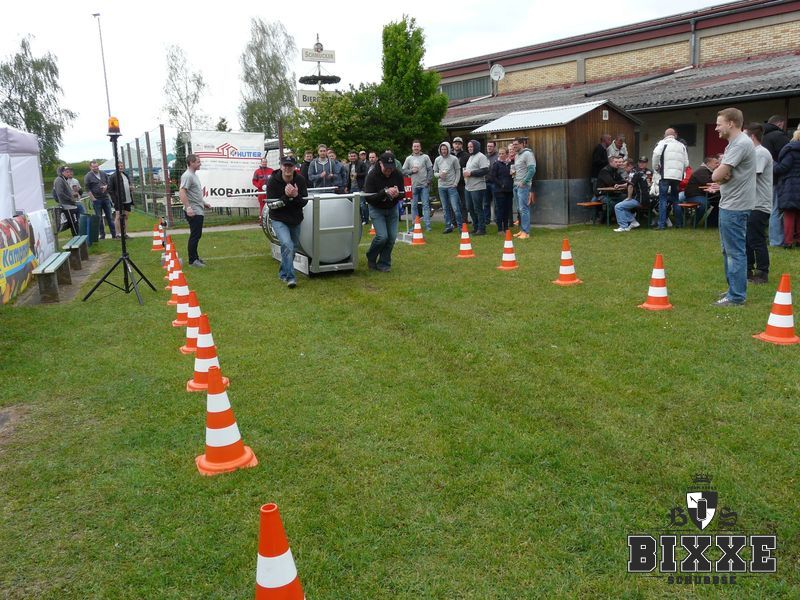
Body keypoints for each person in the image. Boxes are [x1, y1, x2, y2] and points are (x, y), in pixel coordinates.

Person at [710, 107, 756, 307]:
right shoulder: (734, 144)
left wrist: (720, 173)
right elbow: (723, 174)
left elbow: (717, 175)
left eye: (719, 124)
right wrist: (722, 174)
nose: (716, 128)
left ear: (731, 123)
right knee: (728, 250)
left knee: (735, 252)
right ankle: (733, 289)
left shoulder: (740, 144)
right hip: (731, 203)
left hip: (735, 206)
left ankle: (736, 296)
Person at [266, 156, 309, 288]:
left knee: (293, 247)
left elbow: (304, 202)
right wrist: (286, 197)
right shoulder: (273, 181)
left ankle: (283, 272)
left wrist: (295, 196)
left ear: (294, 167)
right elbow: (271, 205)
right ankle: (291, 278)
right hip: (278, 218)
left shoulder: (300, 180)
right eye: (285, 165)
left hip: (295, 218)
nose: (288, 168)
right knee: (287, 244)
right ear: (281, 166)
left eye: (290, 166)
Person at [363, 152, 404, 272]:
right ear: (380, 163)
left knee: (391, 237)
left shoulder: (397, 174)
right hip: (376, 208)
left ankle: (384, 263)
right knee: (382, 237)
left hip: (392, 208)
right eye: (386, 168)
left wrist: (397, 194)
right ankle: (371, 256)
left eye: (391, 168)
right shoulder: (372, 175)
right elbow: (368, 198)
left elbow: (403, 193)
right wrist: (385, 192)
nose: (389, 171)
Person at [744, 123, 772, 284]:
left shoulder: (760, 153)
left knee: (756, 239)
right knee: (747, 239)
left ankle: (762, 272)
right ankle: (748, 270)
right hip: (751, 203)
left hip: (759, 204)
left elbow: (751, 176)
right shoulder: (754, 153)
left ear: (752, 137)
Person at [762, 116, 792, 247]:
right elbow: (788, 156)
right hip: (776, 178)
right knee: (776, 209)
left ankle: (767, 236)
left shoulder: (762, 136)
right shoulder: (779, 136)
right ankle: (776, 240)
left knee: (765, 208)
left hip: (762, 177)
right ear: (780, 123)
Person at [652, 128, 689, 229]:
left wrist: (655, 167)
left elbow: (656, 155)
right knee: (675, 199)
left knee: (663, 199)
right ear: (675, 135)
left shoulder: (662, 143)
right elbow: (686, 163)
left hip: (665, 175)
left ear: (665, 135)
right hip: (677, 177)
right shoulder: (681, 145)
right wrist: (680, 172)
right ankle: (679, 224)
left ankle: (661, 225)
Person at [180, 154, 212, 267]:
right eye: (198, 162)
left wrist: (204, 203)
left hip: (198, 209)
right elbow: (182, 192)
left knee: (197, 235)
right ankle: (192, 261)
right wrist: (188, 207)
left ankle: (196, 258)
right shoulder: (187, 176)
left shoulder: (194, 175)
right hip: (193, 211)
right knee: (195, 235)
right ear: (191, 163)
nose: (200, 164)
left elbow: (195, 194)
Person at [773, 128, 800, 249]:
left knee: (789, 213)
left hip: (791, 184)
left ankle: (788, 241)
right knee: (799, 214)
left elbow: (783, 167)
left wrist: (773, 165)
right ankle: (798, 240)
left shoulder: (791, 150)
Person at [402, 140, 434, 231]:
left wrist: (428, 181)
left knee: (426, 206)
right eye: (414, 146)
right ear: (412, 148)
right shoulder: (408, 158)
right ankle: (415, 225)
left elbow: (430, 170)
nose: (416, 148)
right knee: (414, 206)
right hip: (413, 186)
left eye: (417, 146)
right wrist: (411, 171)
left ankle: (428, 226)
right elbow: (403, 171)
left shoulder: (425, 157)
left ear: (420, 148)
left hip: (424, 185)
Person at [433, 141, 462, 233]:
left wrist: (455, 183)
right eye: (442, 149)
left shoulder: (454, 159)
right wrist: (439, 175)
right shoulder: (437, 159)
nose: (444, 151)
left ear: (448, 149)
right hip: (441, 187)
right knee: (445, 208)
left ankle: (461, 227)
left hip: (451, 186)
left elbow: (458, 171)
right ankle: (448, 226)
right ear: (440, 150)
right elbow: (435, 172)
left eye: (445, 149)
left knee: (455, 208)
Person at [463, 139, 490, 235]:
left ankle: (482, 229)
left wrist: (471, 173)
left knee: (477, 208)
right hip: (468, 187)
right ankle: (475, 227)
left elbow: (485, 170)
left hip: (478, 186)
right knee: (470, 208)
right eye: (468, 147)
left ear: (476, 146)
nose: (469, 148)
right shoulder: (470, 157)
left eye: (471, 146)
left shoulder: (481, 156)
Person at [683, 155, 721, 224]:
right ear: (708, 164)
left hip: (703, 194)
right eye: (716, 163)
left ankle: (711, 223)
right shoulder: (702, 171)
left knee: (720, 202)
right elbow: (708, 182)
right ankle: (693, 222)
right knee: (705, 204)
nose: (718, 165)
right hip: (693, 196)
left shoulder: (708, 171)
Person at [84, 160, 116, 239]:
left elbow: (109, 183)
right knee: (99, 218)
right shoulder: (88, 176)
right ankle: (102, 235)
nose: (96, 168)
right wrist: (93, 198)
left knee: (110, 217)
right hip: (96, 199)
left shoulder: (103, 173)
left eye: (97, 166)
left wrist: (106, 187)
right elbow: (87, 188)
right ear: (90, 167)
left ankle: (114, 234)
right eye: (94, 167)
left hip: (105, 198)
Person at [511, 137, 536, 238]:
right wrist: (514, 174)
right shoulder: (517, 155)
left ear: (522, 144)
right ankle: (521, 230)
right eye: (513, 145)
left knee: (524, 209)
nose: (514, 146)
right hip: (516, 185)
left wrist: (524, 181)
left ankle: (526, 232)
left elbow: (532, 170)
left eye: (516, 144)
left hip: (524, 186)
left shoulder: (528, 154)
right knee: (519, 209)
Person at [613, 159, 642, 232]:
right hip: (642, 198)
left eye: (625, 166)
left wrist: (629, 197)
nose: (624, 168)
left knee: (618, 207)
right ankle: (633, 221)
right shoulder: (636, 171)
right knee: (622, 205)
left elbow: (630, 186)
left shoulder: (633, 173)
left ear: (630, 166)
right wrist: (620, 185)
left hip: (639, 199)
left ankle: (623, 226)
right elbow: (630, 183)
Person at [54, 166, 86, 233]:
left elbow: (66, 192)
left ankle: (80, 235)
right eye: (67, 172)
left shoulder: (63, 179)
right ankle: (77, 237)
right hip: (67, 205)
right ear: (62, 172)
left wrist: (74, 195)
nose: (68, 173)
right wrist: (71, 199)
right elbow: (60, 193)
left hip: (71, 204)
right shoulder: (59, 180)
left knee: (75, 222)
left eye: (69, 172)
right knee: (73, 224)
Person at [490, 146, 514, 234]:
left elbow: (513, 175)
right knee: (500, 209)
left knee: (507, 209)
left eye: (503, 153)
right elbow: (493, 177)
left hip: (509, 190)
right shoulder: (496, 164)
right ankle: (500, 229)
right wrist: (501, 184)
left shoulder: (510, 164)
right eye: (499, 154)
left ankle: (506, 227)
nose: (501, 155)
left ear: (507, 154)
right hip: (499, 191)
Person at [107, 161, 133, 239]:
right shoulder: (113, 176)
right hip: (118, 200)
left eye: (122, 166)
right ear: (116, 167)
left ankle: (124, 234)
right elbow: (110, 189)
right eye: (119, 166)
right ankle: (117, 234)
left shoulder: (125, 175)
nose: (121, 167)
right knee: (118, 216)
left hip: (128, 199)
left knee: (126, 217)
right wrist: (115, 199)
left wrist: (131, 188)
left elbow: (128, 185)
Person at [452, 137, 468, 221]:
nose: (457, 145)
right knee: (453, 203)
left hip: (462, 183)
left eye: (459, 144)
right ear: (453, 144)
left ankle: (464, 220)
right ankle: (454, 220)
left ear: (461, 145)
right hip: (452, 183)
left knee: (463, 203)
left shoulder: (466, 155)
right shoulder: (449, 155)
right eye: (455, 143)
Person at [484, 140, 498, 228]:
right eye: (488, 146)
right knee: (486, 203)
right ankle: (486, 220)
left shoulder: (497, 156)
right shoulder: (484, 157)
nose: (489, 148)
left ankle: (496, 219)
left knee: (496, 203)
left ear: (494, 147)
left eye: (491, 146)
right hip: (485, 182)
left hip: (495, 183)